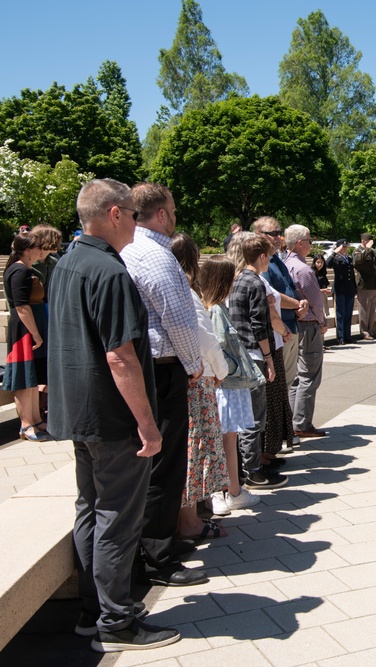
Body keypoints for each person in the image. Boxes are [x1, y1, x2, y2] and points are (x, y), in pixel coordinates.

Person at [49, 179, 180, 651]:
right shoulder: (110, 272)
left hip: (78, 415)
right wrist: (148, 423)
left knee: (91, 511)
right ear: (115, 214)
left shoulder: (67, 263)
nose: (139, 222)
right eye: (133, 213)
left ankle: (95, 610)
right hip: (113, 418)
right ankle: (117, 623)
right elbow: (120, 357)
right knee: (118, 520)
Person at [119, 182, 208, 587]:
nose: (176, 216)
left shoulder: (130, 248)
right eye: (173, 209)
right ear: (160, 214)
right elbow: (178, 318)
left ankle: (154, 545)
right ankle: (159, 554)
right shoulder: (155, 254)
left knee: (154, 465)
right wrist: (193, 364)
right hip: (163, 368)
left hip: (147, 366)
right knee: (165, 466)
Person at [169, 233, 230, 541]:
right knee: (195, 451)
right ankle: (189, 521)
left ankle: (188, 517)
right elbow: (205, 339)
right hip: (196, 382)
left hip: (176, 380)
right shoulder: (184, 291)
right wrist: (222, 370)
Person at [201, 254, 262, 514]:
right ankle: (222, 492)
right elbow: (218, 347)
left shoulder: (217, 308)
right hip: (224, 385)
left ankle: (232, 490)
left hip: (227, 383)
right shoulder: (215, 310)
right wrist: (228, 370)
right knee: (221, 439)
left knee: (227, 438)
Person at [228, 234, 284, 489]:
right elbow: (259, 326)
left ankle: (246, 468)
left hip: (239, 354)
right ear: (261, 256)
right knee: (253, 416)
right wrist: (269, 358)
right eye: (269, 257)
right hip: (253, 354)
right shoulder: (256, 283)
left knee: (245, 414)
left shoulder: (239, 279)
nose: (270, 261)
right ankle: (253, 471)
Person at [253, 217, 308, 407]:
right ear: (258, 235)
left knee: (287, 383)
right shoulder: (262, 260)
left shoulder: (277, 258)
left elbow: (288, 288)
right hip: (279, 331)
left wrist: (300, 306)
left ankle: (284, 430)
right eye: (273, 234)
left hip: (290, 326)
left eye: (279, 233)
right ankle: (276, 433)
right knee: (276, 386)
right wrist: (296, 304)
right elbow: (271, 296)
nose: (278, 237)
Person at [3, 232, 50, 441]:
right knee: (24, 377)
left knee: (32, 378)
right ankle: (26, 424)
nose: (42, 250)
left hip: (29, 327)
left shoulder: (24, 269)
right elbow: (22, 307)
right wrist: (36, 334)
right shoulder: (19, 270)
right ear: (28, 250)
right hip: (24, 330)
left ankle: (36, 420)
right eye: (39, 246)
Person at [283, 224, 329, 438]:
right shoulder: (303, 270)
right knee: (310, 376)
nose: (312, 244)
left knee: (296, 377)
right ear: (299, 243)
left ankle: (293, 421)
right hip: (308, 326)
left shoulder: (285, 264)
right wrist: (322, 322)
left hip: (293, 324)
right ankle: (301, 423)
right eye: (310, 240)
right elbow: (316, 302)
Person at [354, 233, 376, 339]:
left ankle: (370, 329)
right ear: (364, 241)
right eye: (369, 242)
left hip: (372, 283)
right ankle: (364, 331)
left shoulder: (372, 252)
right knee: (364, 309)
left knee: (372, 308)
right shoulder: (358, 251)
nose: (371, 244)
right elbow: (358, 261)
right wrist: (367, 249)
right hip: (364, 284)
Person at [330, 240, 356, 344]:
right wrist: (334, 252)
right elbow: (327, 264)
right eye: (343, 247)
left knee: (348, 314)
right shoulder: (336, 258)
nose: (345, 249)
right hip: (340, 289)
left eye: (346, 247)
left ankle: (347, 336)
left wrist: (354, 288)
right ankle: (340, 337)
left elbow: (352, 275)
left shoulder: (349, 259)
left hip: (349, 289)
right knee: (340, 314)